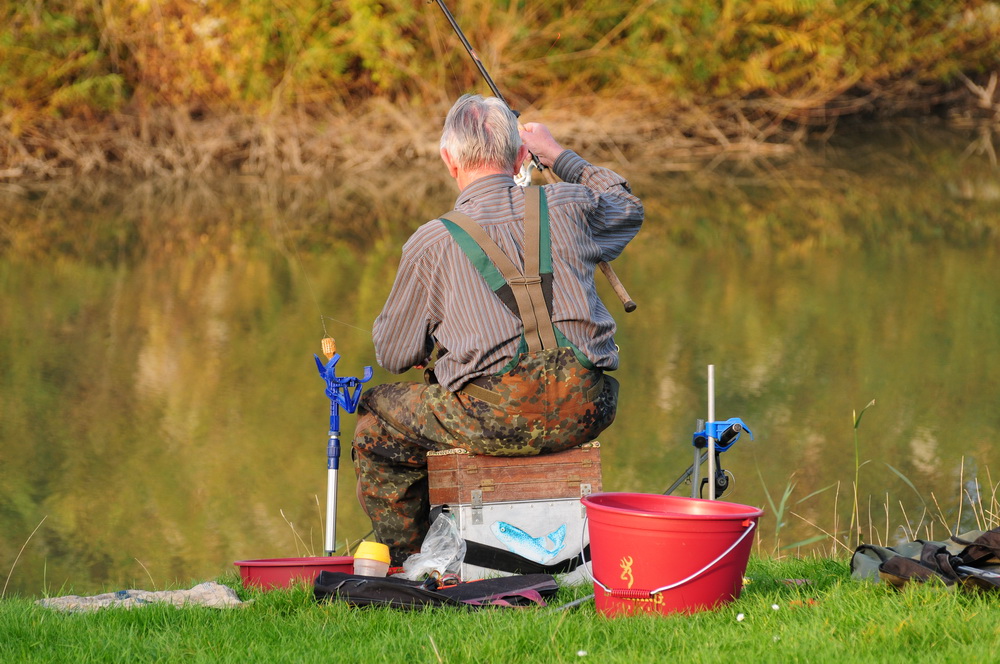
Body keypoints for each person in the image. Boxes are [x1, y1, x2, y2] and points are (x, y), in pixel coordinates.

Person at [352, 93, 643, 565]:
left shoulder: (431, 242)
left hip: (490, 420)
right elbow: (627, 207)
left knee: (374, 424)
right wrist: (559, 155)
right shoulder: (569, 204)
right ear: (523, 156)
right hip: (588, 407)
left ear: (449, 159)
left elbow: (393, 352)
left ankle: (416, 562)